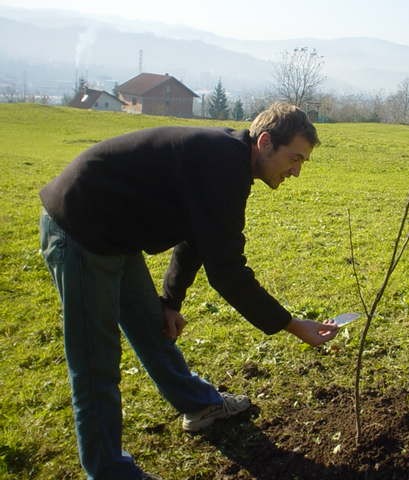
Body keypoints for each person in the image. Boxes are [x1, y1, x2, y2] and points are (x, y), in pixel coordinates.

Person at [39, 102, 339, 480]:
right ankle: (109, 471)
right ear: (265, 142)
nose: (296, 172)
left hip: (116, 235)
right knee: (95, 363)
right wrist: (293, 325)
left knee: (152, 325)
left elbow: (198, 236)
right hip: (80, 229)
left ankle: (199, 406)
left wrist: (170, 301)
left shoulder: (230, 163)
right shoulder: (223, 166)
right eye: (295, 159)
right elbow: (228, 273)